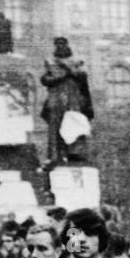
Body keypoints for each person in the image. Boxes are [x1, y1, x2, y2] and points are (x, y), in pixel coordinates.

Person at [40, 37, 92, 169]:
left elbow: (83, 81)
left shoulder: (77, 62)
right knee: (55, 130)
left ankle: (75, 153)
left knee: (74, 127)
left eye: (63, 44)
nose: (61, 47)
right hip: (56, 101)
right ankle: (54, 156)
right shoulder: (50, 62)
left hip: (73, 101)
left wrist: (87, 104)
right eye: (58, 45)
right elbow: (45, 79)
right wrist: (62, 75)